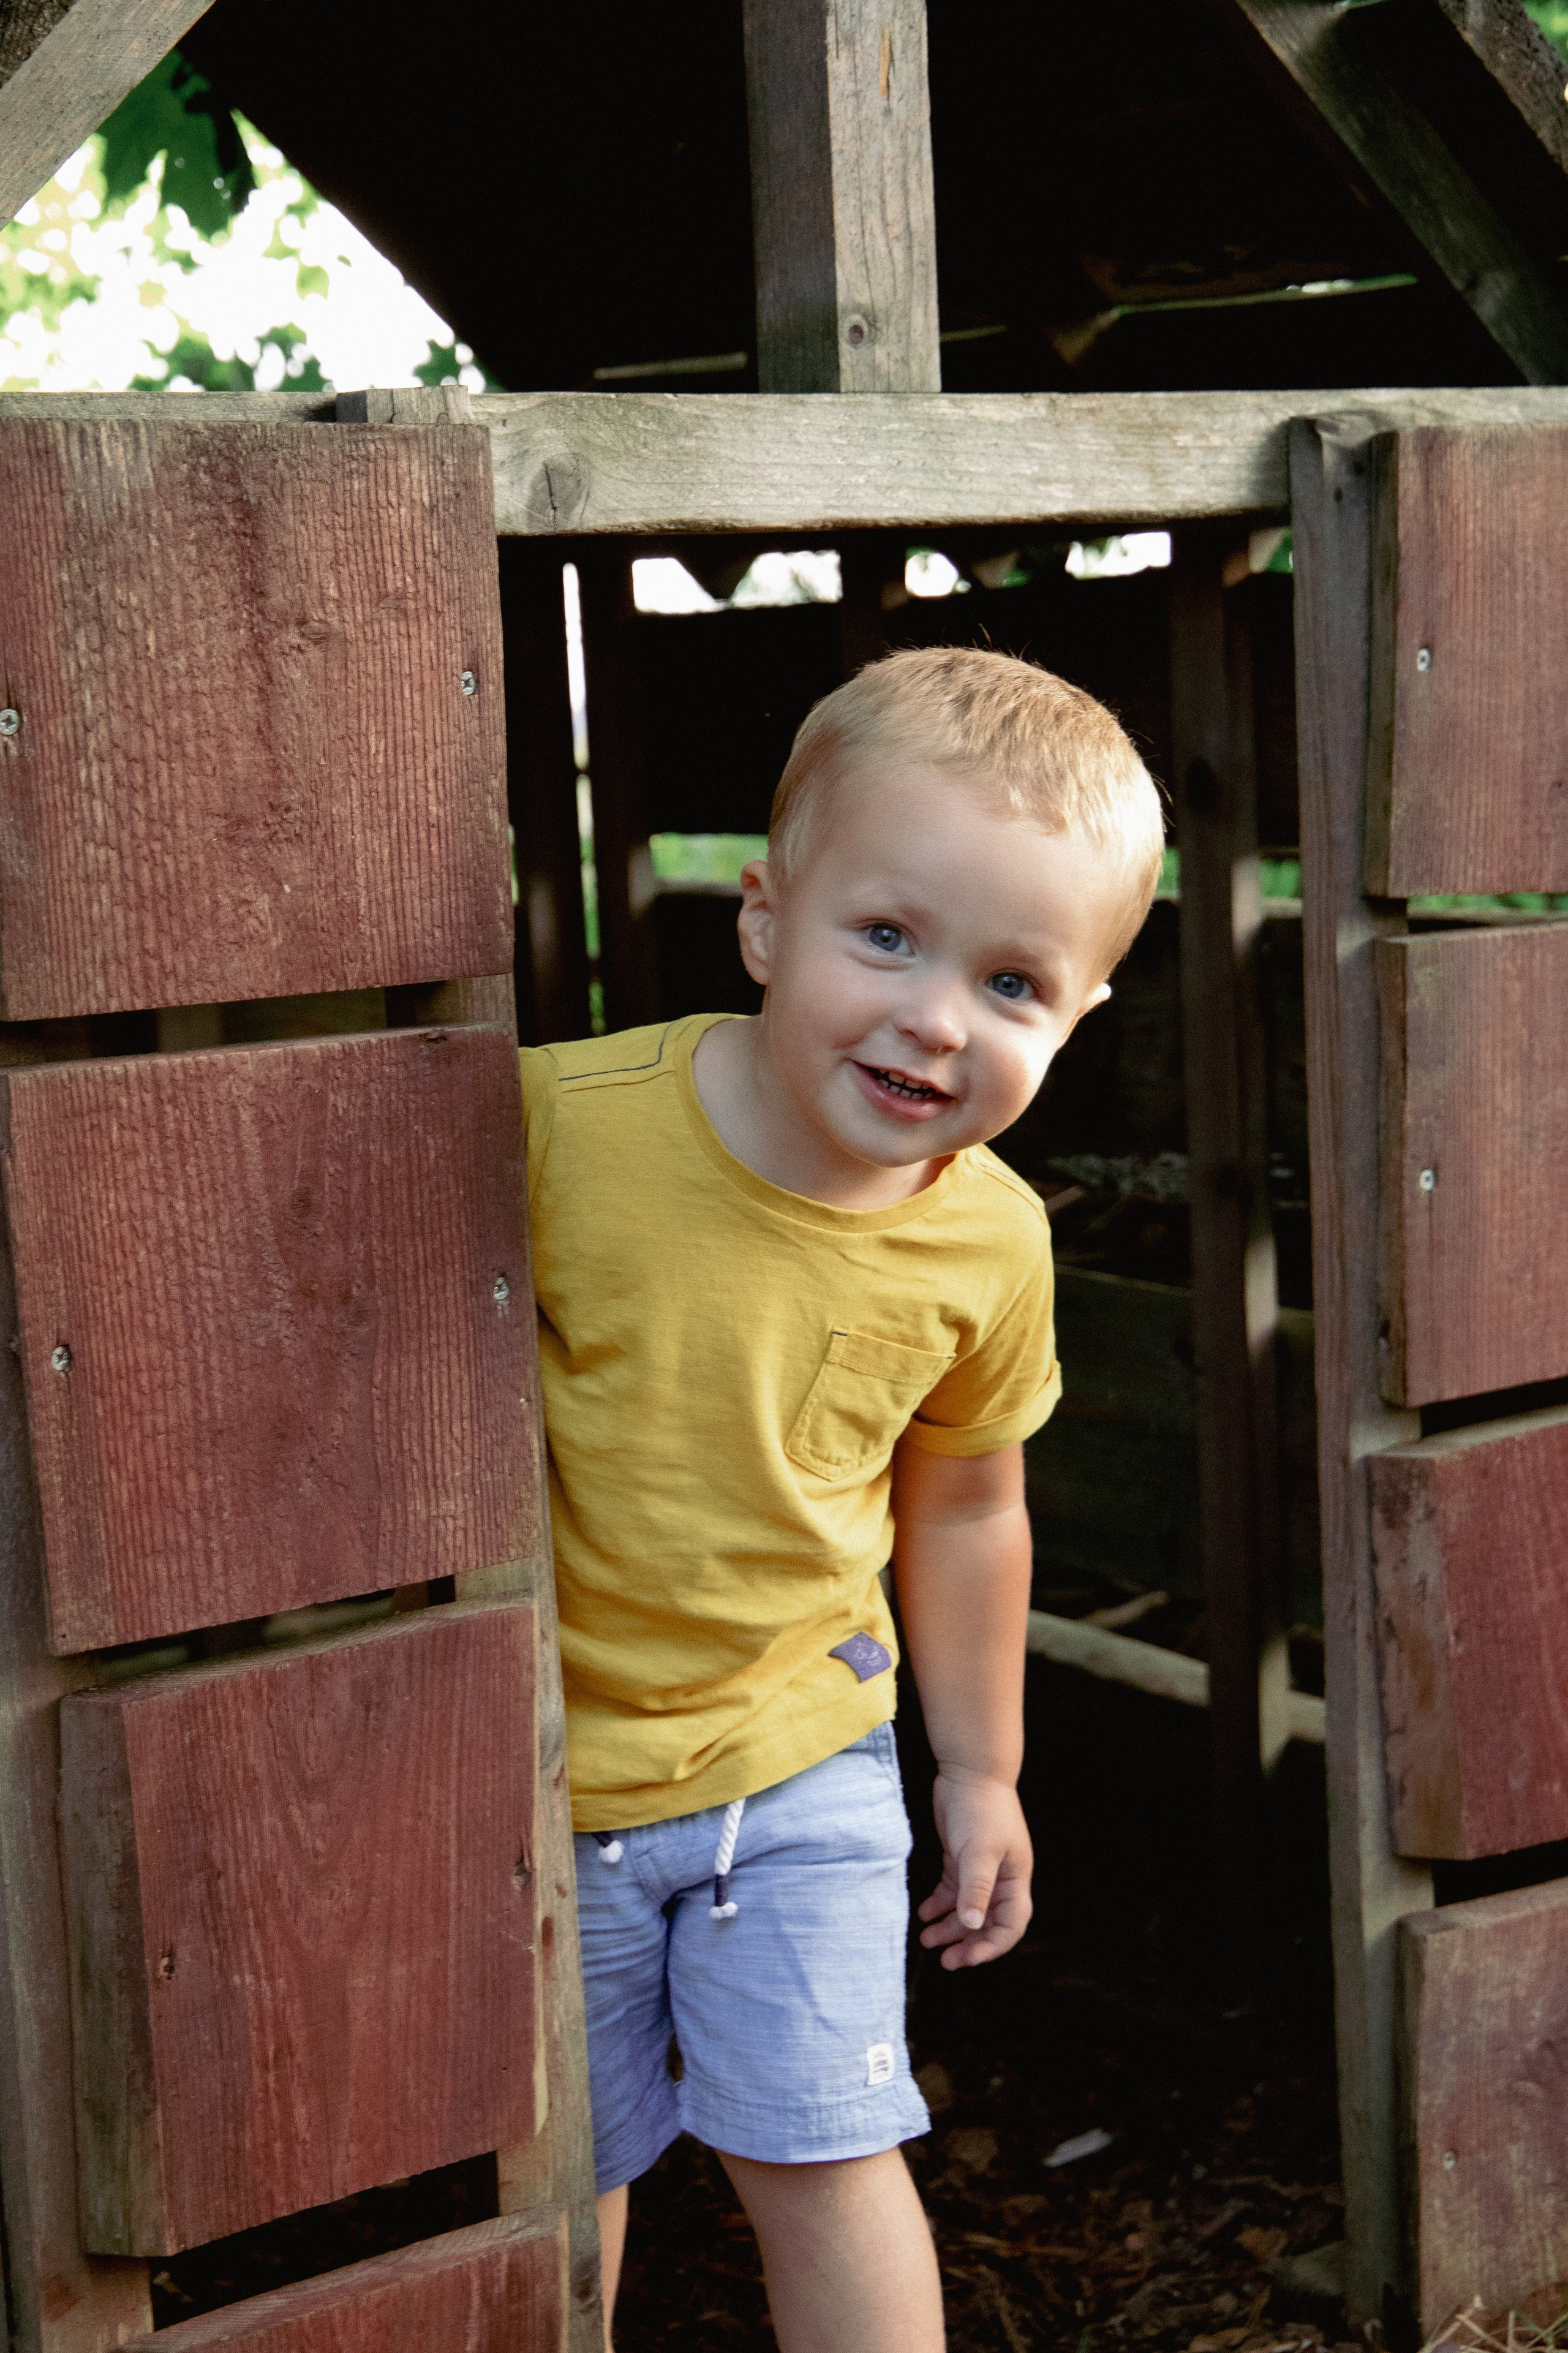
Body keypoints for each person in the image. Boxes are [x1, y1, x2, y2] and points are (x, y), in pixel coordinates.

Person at [517, 644, 1166, 2351]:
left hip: (801, 1760)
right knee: (556, 2175)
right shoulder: (561, 1130)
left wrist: (986, 1768)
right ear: (765, 919)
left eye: (1016, 981)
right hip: (541, 1764)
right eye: (886, 935)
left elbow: (962, 1511)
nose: (938, 1015)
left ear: (1083, 1016)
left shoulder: (988, 1237)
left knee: (825, 2147)